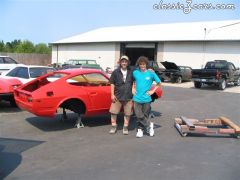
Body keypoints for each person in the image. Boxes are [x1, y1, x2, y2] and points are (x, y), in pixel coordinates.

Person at [132, 56, 161, 138]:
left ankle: (140, 130)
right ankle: (149, 125)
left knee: (145, 115)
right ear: (139, 65)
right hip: (137, 98)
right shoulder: (135, 72)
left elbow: (159, 83)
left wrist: (153, 91)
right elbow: (131, 81)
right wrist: (133, 88)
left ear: (146, 64)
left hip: (147, 99)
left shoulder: (151, 73)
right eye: (141, 64)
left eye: (144, 64)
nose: (142, 66)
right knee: (138, 115)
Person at [109, 55, 133, 135]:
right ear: (120, 62)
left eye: (125, 61)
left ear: (128, 63)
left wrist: (150, 69)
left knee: (128, 113)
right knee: (113, 112)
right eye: (122, 61)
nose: (124, 63)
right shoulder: (115, 72)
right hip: (117, 96)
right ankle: (113, 126)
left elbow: (138, 77)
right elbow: (112, 83)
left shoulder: (131, 71)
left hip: (128, 97)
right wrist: (112, 94)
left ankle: (125, 127)